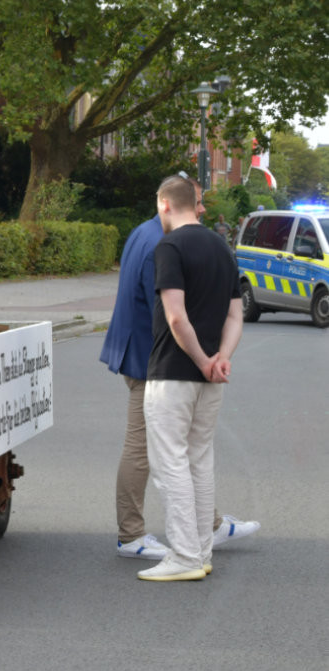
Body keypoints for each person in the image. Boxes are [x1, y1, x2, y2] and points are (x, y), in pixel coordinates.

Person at [99, 176, 259, 561]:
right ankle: (133, 534)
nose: (202, 210)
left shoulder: (144, 231)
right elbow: (173, 313)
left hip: (135, 350)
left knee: (179, 448)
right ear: (173, 203)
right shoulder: (167, 244)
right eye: (199, 202)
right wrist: (208, 358)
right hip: (153, 360)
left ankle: (209, 525)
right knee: (153, 450)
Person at [137, 175, 244, 581]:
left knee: (170, 466)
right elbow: (236, 316)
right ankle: (201, 551)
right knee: (200, 461)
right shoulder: (222, 246)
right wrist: (220, 360)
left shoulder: (170, 247)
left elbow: (176, 316)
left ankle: (184, 557)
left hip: (173, 373)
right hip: (211, 379)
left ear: (164, 204)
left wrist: (201, 360)